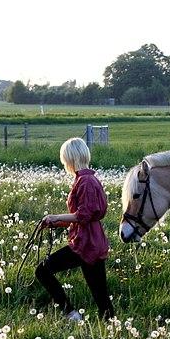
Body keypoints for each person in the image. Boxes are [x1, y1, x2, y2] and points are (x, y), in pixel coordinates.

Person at [34, 137, 114, 321]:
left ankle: (70, 313)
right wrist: (54, 223)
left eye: (64, 160)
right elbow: (83, 217)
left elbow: (83, 216)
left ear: (70, 158)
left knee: (43, 271)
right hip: (92, 240)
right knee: (100, 294)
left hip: (85, 243)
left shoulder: (85, 181)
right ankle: (111, 328)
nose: (64, 164)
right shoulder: (87, 178)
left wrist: (56, 217)